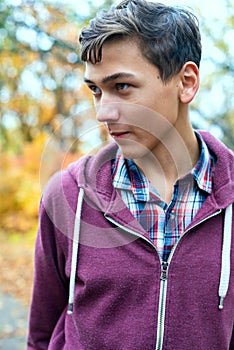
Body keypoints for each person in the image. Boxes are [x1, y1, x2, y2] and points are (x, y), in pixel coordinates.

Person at [27, 0, 234, 349]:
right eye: (95, 90)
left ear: (186, 82)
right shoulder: (66, 196)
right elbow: (41, 336)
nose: (102, 112)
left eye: (121, 86)